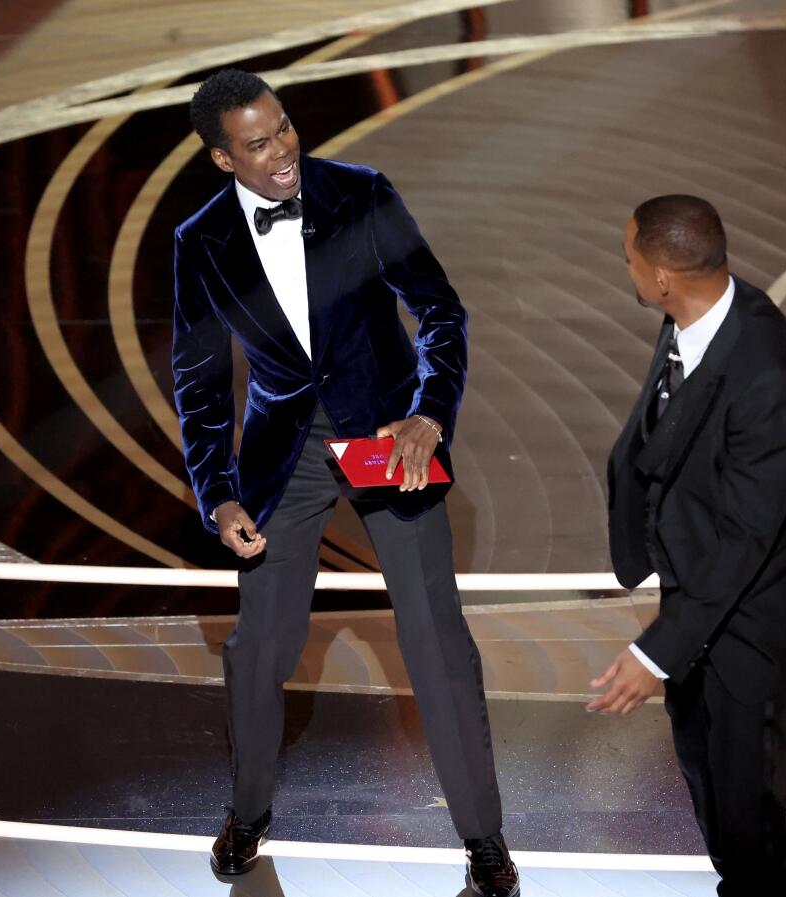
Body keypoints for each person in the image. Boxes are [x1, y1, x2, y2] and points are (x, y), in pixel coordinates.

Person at [173, 68, 519, 897]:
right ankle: (248, 812)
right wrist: (216, 491)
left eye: (284, 127)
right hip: (283, 455)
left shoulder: (360, 192)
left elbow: (439, 311)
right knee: (259, 650)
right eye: (259, 143)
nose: (283, 148)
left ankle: (483, 837)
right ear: (224, 159)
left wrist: (431, 413)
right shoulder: (199, 240)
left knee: (436, 640)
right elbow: (198, 378)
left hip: (390, 436)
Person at [589, 195, 786, 896]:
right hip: (698, 596)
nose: (626, 266)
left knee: (748, 818)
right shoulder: (695, 312)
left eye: (628, 258)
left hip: (752, 622)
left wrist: (655, 650)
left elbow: (748, 536)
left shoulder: (764, 373)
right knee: (712, 786)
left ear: (661, 278)